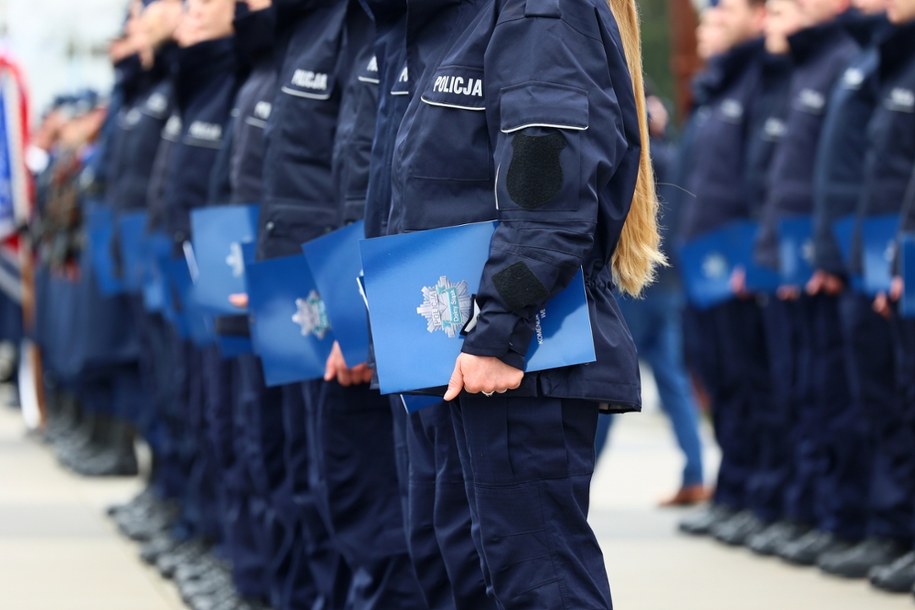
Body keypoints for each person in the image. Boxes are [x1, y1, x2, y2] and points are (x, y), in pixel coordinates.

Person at [388, 0, 664, 606]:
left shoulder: (539, 12)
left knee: (539, 581)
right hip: (466, 345)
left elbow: (546, 186)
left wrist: (498, 330)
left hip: (515, 354)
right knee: (477, 569)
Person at [751, 0, 861, 567]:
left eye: (789, 6)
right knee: (799, 390)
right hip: (790, 254)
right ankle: (816, 511)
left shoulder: (844, 61)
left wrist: (828, 254)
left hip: (827, 258)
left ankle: (847, 520)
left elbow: (840, 177)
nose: (776, 14)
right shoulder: (805, 70)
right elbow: (778, 182)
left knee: (834, 392)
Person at [676, 0, 771, 543]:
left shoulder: (758, 80)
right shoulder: (717, 88)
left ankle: (763, 497)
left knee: (755, 386)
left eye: (720, 13)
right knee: (724, 386)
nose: (708, 24)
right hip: (703, 266)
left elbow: (759, 180)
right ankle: (736, 491)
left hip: (738, 266)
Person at [601, 88, 710, 509]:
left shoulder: (639, 162)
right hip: (669, 282)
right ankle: (696, 471)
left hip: (635, 280)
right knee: (673, 380)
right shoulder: (673, 156)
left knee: (610, 381)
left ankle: (583, 479)